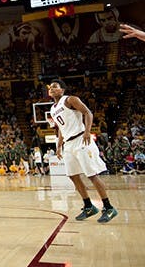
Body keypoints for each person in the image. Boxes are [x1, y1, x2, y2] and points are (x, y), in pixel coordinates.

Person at [48, 78, 118, 223]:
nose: (52, 89)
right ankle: (88, 206)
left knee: (92, 175)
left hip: (81, 139)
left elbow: (88, 113)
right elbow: (61, 128)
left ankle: (109, 207)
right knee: (72, 175)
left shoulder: (70, 100)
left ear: (62, 90)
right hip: (68, 144)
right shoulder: (52, 109)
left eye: (55, 87)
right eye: (50, 88)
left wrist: (87, 131)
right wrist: (59, 146)